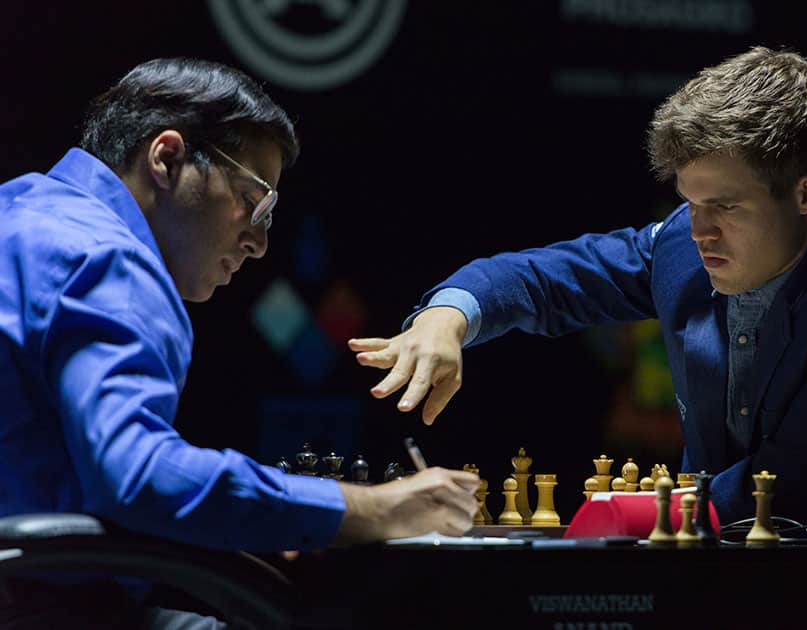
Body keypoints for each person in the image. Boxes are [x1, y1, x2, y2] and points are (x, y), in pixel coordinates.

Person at [349, 47, 807, 544]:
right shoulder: (685, 244)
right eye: (689, 203)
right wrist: (449, 314)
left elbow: (793, 489)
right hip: (741, 572)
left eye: (726, 207)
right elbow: (551, 277)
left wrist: (629, 513)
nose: (699, 230)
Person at [0, 58, 478, 628]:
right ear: (167, 158)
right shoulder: (109, 261)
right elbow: (140, 478)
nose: (259, 241)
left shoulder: (21, 210)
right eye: (258, 202)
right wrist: (374, 508)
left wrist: (252, 519)